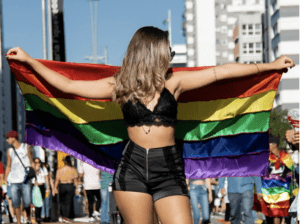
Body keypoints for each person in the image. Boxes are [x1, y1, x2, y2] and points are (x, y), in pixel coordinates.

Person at [6, 26, 295, 223]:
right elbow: (68, 85)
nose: (171, 56)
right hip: (130, 169)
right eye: (167, 51)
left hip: (168, 169)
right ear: (152, 51)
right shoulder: (119, 84)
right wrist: (30, 61)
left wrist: (270, 66)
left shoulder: (176, 81)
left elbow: (222, 72)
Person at [254, 135, 294, 224]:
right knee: (268, 214)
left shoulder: (285, 156)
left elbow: (293, 172)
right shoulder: (265, 157)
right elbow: (259, 172)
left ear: (274, 145)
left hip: (281, 190)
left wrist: (286, 176)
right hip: (267, 190)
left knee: (277, 214)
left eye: (269, 144)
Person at [4, 130, 34, 224]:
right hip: (13, 180)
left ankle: (28, 217)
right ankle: (18, 222)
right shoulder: (10, 151)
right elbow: (8, 166)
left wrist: (34, 175)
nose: (7, 140)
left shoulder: (26, 147)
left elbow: (31, 161)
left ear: (13, 138)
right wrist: (5, 179)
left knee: (27, 201)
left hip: (25, 179)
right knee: (15, 203)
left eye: (8, 138)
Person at [54, 155, 78, 223]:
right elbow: (75, 180)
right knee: (68, 202)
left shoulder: (59, 170)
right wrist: (77, 188)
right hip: (70, 186)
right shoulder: (73, 169)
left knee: (62, 202)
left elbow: (57, 180)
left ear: (64, 162)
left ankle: (63, 216)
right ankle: (66, 217)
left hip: (62, 185)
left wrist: (55, 188)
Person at [32, 157, 50, 224]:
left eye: (39, 162)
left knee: (40, 202)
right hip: (35, 187)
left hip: (42, 186)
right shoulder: (32, 169)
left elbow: (46, 178)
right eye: (36, 162)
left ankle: (39, 217)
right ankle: (37, 217)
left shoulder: (43, 169)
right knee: (36, 202)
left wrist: (47, 187)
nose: (38, 163)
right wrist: (35, 170)